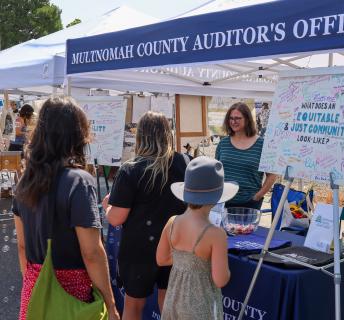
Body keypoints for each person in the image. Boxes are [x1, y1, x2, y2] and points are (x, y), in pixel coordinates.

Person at [13, 97, 119, 320]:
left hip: (34, 294)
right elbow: (91, 252)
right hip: (73, 296)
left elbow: (22, 247)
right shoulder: (79, 182)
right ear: (76, 135)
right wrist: (110, 304)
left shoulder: (25, 183)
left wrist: (37, 284)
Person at [102, 111, 188, 320]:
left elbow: (116, 218)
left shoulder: (131, 169)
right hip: (174, 243)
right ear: (167, 133)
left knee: (133, 306)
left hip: (139, 249)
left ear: (141, 135)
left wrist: (106, 207)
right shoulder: (183, 162)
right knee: (169, 305)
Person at [156, 156, 238, 320]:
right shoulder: (216, 234)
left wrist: (186, 261)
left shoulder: (172, 222)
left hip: (173, 300)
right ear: (217, 198)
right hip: (201, 306)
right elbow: (220, 279)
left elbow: (161, 259)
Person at [215, 102, 276, 209]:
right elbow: (215, 172)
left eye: (238, 118)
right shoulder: (223, 143)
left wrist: (258, 196)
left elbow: (272, 175)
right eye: (231, 118)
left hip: (250, 204)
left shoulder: (262, 144)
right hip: (223, 202)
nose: (233, 122)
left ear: (247, 120)